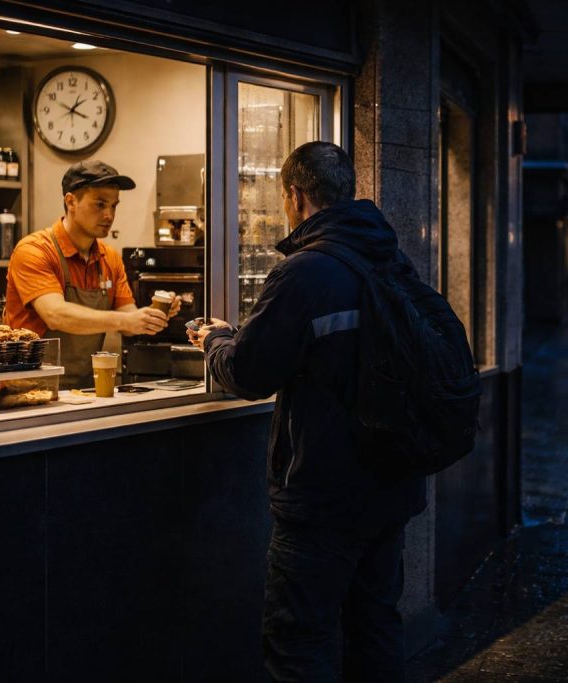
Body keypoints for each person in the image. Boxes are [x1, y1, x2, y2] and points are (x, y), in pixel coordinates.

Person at [189, 142, 425, 681]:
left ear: (294, 196)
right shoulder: (391, 258)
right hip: (391, 487)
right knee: (376, 628)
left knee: (299, 643)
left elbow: (250, 374)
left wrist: (216, 341)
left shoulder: (306, 272)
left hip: (324, 496)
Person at [5, 160, 179, 388]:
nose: (109, 215)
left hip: (84, 391)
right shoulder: (34, 250)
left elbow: (128, 321)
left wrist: (154, 316)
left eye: (114, 206)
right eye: (100, 204)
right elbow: (55, 314)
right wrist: (126, 320)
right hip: (28, 389)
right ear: (71, 201)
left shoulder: (110, 258)